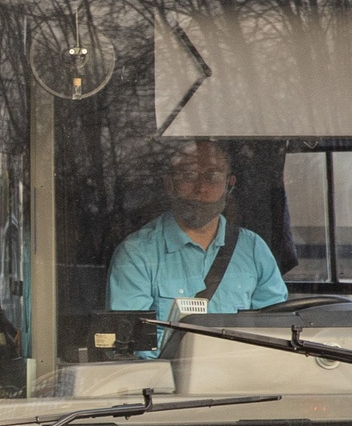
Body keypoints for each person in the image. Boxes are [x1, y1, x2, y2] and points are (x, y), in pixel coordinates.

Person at [107, 139, 289, 329]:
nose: (201, 188)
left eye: (212, 176)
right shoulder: (137, 254)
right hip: (174, 360)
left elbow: (276, 328)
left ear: (229, 184)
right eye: (189, 175)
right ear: (169, 184)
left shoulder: (253, 249)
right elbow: (132, 344)